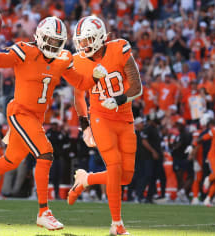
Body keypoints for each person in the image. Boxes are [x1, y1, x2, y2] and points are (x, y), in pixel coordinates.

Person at [0, 16, 96, 230]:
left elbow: (80, 82)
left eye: (56, 41)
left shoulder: (63, 58)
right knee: (45, 152)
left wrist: (98, 74)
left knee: (11, 160)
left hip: (35, 118)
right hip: (19, 112)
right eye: (49, 40)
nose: (52, 45)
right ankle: (43, 211)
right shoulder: (25, 50)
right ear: (40, 37)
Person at [68, 16, 142, 235]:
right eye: (80, 41)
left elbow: (137, 86)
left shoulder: (119, 48)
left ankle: (85, 179)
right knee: (114, 166)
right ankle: (117, 224)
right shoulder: (79, 61)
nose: (84, 45)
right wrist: (85, 126)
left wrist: (119, 99)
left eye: (88, 39)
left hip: (124, 116)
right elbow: (79, 97)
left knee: (125, 176)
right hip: (100, 117)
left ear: (100, 37)